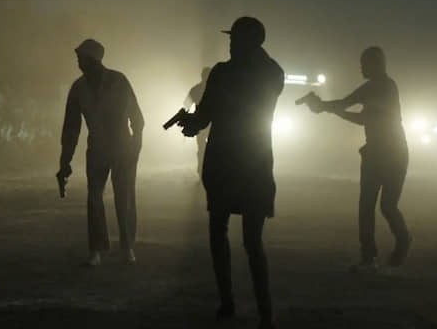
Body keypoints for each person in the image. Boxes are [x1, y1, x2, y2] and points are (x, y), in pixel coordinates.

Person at [174, 16, 283, 329]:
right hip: (255, 162)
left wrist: (190, 124)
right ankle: (264, 314)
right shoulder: (272, 72)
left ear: (248, 42)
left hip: (225, 162)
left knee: (220, 232)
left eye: (235, 39)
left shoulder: (224, 73)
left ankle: (228, 303)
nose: (231, 45)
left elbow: (205, 116)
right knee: (252, 242)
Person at [300, 46, 412, 272]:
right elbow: (345, 105)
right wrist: (324, 107)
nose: (361, 68)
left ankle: (378, 253)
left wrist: (324, 107)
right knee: (382, 205)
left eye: (364, 64)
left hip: (386, 153)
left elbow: (361, 117)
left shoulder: (382, 88)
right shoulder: (380, 86)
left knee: (376, 206)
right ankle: (389, 246)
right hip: (390, 152)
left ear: (375, 64)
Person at [57, 39, 144, 267]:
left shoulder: (119, 81)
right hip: (97, 148)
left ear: (93, 60)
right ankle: (96, 249)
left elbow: (137, 118)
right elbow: (71, 128)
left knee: (124, 197)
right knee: (95, 198)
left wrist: (136, 146)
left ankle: (127, 246)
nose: (78, 62)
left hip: (122, 147)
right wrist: (64, 162)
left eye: (81, 58)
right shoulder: (79, 88)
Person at [184, 67, 212, 178]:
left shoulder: (196, 89)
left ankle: (201, 169)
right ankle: (204, 169)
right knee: (207, 147)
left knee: (201, 147)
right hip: (209, 123)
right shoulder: (216, 88)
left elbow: (186, 105)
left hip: (200, 122)